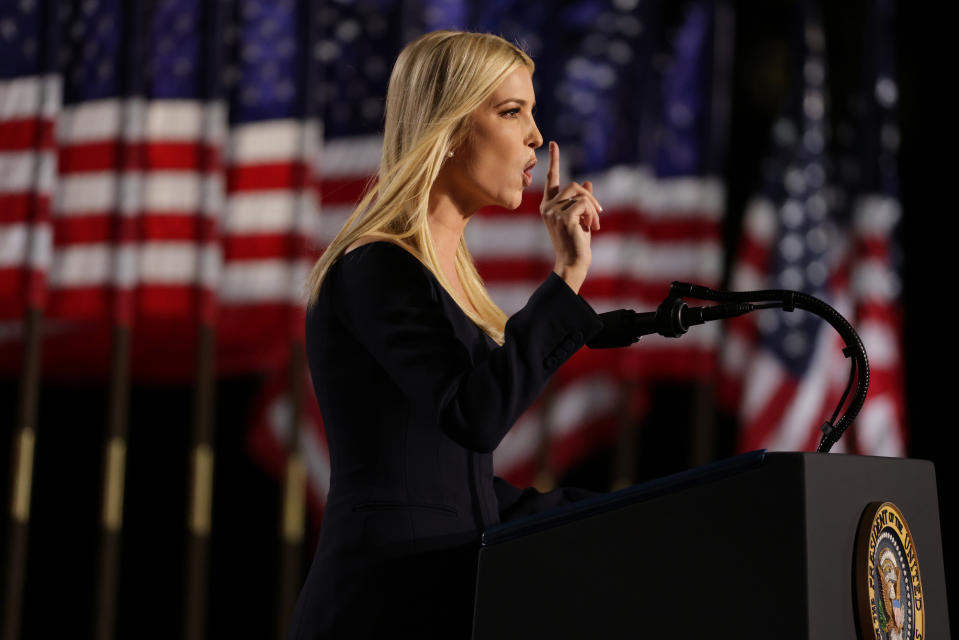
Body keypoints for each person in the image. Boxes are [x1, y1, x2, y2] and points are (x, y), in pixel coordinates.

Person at [288, 30, 606, 639]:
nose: (536, 136)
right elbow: (474, 415)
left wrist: (613, 512)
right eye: (512, 112)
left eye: (532, 114)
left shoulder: (443, 282)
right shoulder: (376, 267)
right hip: (378, 608)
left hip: (442, 601)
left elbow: (450, 481)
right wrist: (566, 277)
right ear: (451, 128)